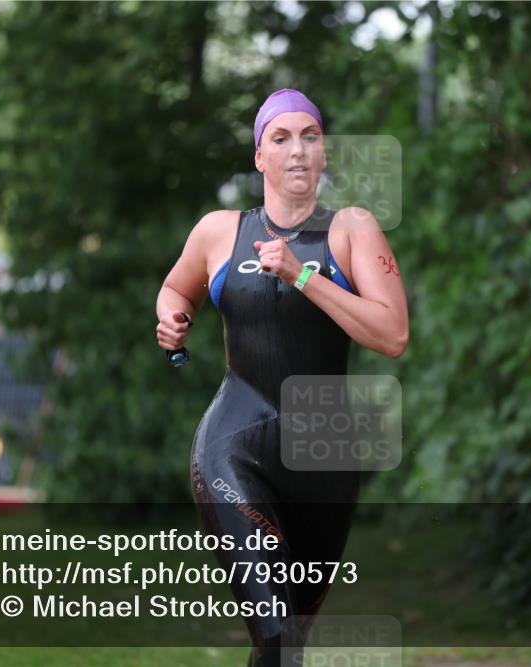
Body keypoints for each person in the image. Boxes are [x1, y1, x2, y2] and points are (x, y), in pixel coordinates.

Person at [155, 89, 409, 666]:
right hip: (235, 444)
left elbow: (393, 335)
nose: (298, 150)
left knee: (287, 641)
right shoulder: (220, 231)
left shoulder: (351, 230)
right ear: (260, 158)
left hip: (326, 454)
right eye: (281, 138)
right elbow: (176, 288)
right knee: (273, 628)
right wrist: (173, 319)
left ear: (324, 156)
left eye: (310, 137)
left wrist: (304, 277)